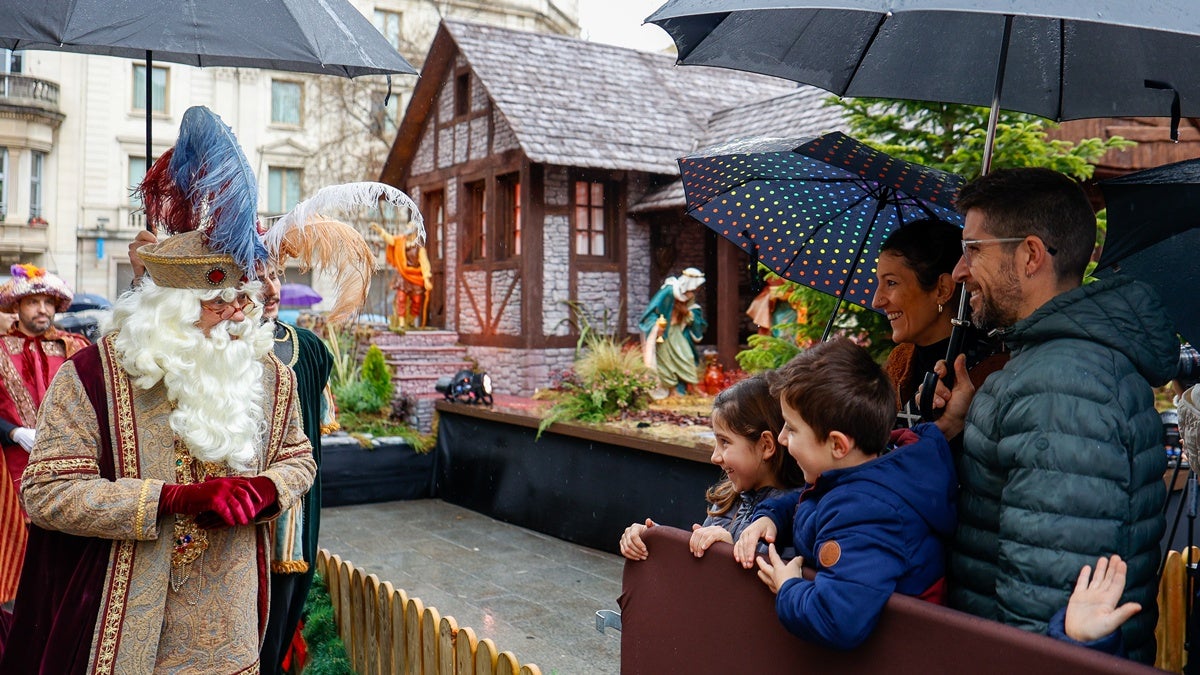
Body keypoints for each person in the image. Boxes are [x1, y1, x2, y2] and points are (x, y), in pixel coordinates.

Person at [928, 167, 1178, 664]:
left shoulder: (1061, 385)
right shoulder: (1051, 369)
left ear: (1030, 255)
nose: (958, 270)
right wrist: (953, 430)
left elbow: (1048, 598)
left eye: (973, 249)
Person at [733, 338, 957, 650]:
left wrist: (788, 587)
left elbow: (837, 618)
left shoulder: (868, 513)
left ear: (838, 445)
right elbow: (811, 501)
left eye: (792, 429)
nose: (782, 438)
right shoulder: (867, 473)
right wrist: (772, 517)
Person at [619, 375, 804, 561]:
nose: (714, 457)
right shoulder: (727, 499)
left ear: (766, 445)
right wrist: (651, 538)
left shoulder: (797, 516)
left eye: (725, 442)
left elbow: (774, 580)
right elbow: (694, 559)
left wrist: (726, 553)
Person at [0, 263, 89, 604]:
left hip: (67, 469)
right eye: (33, 302)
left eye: (48, 302)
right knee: (17, 567)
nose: (42, 309)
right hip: (11, 471)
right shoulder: (1, 346)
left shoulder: (75, 347)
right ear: (17, 308)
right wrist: (13, 432)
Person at [871, 218, 1006, 426]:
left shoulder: (994, 374)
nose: (877, 301)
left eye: (891, 283)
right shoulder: (900, 361)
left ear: (942, 289)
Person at [638, 268, 708, 396]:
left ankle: (692, 387)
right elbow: (651, 313)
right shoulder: (669, 291)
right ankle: (672, 391)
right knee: (666, 362)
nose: (696, 291)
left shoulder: (688, 296)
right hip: (664, 333)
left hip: (676, 331)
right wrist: (656, 326)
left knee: (687, 357)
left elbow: (693, 314)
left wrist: (687, 313)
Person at [371, 222, 432, 330]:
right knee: (401, 298)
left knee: (417, 300)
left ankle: (411, 320)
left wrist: (426, 279)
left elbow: (424, 264)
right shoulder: (400, 241)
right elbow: (391, 239)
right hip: (403, 276)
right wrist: (380, 231)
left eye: (409, 228)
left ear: (414, 231)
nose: (407, 230)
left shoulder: (419, 248)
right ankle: (401, 322)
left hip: (415, 276)